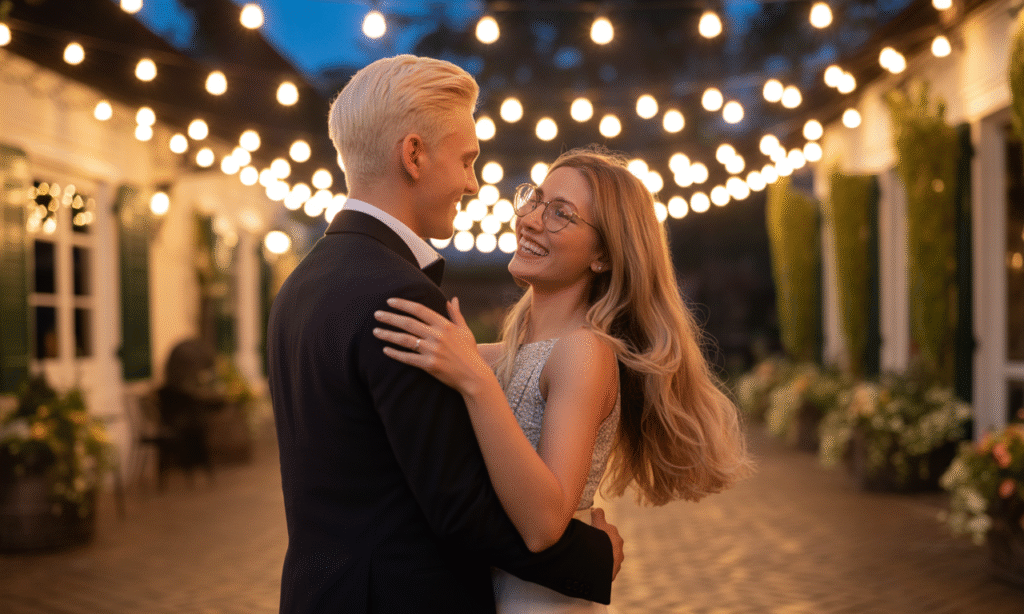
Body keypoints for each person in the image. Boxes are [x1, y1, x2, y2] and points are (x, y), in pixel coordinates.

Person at [267, 55, 622, 614]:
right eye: (466, 160)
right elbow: (456, 504)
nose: (473, 183)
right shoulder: (397, 294)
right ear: (413, 155)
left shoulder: (300, 285)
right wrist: (591, 554)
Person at [372, 145, 753, 612]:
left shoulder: (583, 351)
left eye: (561, 214)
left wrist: (475, 381)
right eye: (535, 200)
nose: (530, 220)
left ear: (603, 257)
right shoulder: (510, 354)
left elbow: (543, 525)